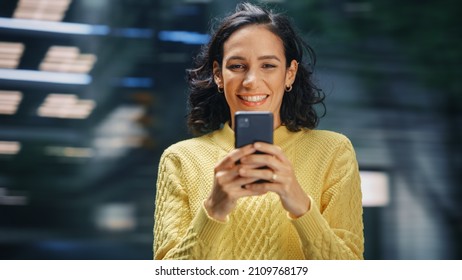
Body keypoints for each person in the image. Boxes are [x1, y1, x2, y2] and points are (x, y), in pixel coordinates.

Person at [153, 2, 364, 260]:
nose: (251, 81)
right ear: (218, 75)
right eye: (237, 66)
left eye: (268, 66)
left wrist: (300, 204)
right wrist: (213, 210)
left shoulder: (333, 151)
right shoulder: (180, 159)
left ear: (290, 73)